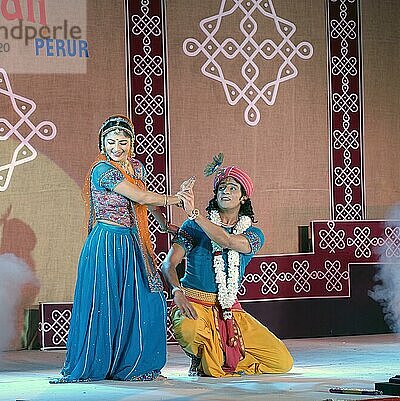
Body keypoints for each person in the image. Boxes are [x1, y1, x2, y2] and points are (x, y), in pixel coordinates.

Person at [52, 115, 191, 383]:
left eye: (123, 141)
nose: (117, 147)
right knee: (106, 305)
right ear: (102, 144)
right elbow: (137, 196)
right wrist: (177, 199)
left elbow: (145, 202)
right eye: (111, 141)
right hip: (106, 243)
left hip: (132, 241)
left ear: (132, 143)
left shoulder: (136, 168)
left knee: (144, 300)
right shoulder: (102, 170)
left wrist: (163, 223)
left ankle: (137, 365)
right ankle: (97, 366)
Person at [161, 161, 294, 377]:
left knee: (282, 362)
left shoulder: (253, 234)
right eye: (221, 187)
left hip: (229, 310)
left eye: (233, 188)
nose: (226, 191)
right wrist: (177, 292)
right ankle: (203, 358)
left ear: (243, 197)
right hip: (194, 303)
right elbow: (168, 264)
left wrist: (194, 213)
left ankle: (219, 361)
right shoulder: (193, 228)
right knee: (188, 329)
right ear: (215, 195)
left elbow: (228, 242)